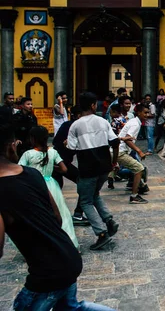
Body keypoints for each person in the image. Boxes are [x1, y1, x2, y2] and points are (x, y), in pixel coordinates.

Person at [0, 119, 114, 310]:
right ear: (12, 146)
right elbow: (58, 217)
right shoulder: (31, 174)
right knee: (71, 307)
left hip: (47, 272)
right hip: (67, 255)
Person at [67, 92, 120, 251]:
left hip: (87, 168)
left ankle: (101, 232)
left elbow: (71, 147)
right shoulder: (103, 121)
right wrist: (114, 161)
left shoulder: (75, 125)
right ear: (92, 105)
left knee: (85, 201)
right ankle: (108, 220)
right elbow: (115, 142)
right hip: (104, 167)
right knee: (94, 194)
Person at [19, 126, 79, 248]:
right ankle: (65, 241)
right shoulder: (53, 152)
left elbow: (20, 169)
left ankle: (39, 245)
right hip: (52, 185)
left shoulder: (28, 154)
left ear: (32, 139)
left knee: (37, 215)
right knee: (60, 213)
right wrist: (51, 167)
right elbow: (64, 169)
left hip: (34, 186)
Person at [52, 105, 87, 226]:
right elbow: (58, 143)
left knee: (56, 188)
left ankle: (76, 214)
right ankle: (77, 214)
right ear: (78, 115)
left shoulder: (69, 125)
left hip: (61, 162)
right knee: (82, 183)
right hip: (59, 163)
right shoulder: (72, 127)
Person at [118, 103, 151, 204]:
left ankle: (136, 186)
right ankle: (134, 196)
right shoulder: (135, 123)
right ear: (139, 112)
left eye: (148, 113)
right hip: (120, 151)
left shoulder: (135, 122)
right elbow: (128, 139)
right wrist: (139, 151)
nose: (147, 115)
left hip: (120, 151)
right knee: (139, 168)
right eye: (145, 113)